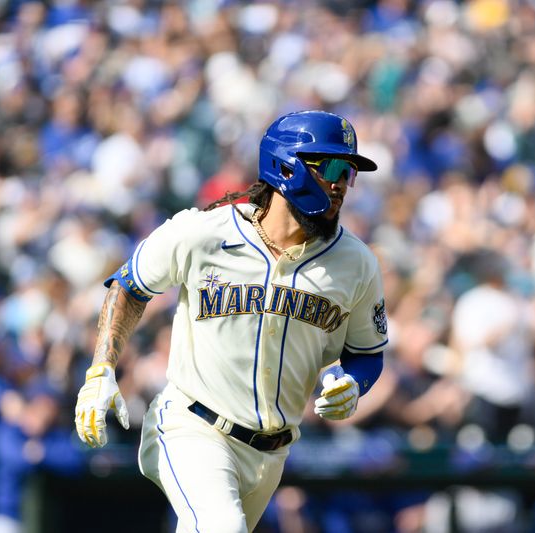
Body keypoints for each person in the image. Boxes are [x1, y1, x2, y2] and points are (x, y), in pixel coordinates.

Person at [73, 110, 388, 533]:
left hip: (272, 453)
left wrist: (355, 383)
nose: (340, 184)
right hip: (191, 425)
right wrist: (101, 369)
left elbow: (366, 353)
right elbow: (129, 285)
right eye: (330, 166)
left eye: (349, 173)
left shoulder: (356, 263)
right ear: (286, 163)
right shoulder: (203, 232)